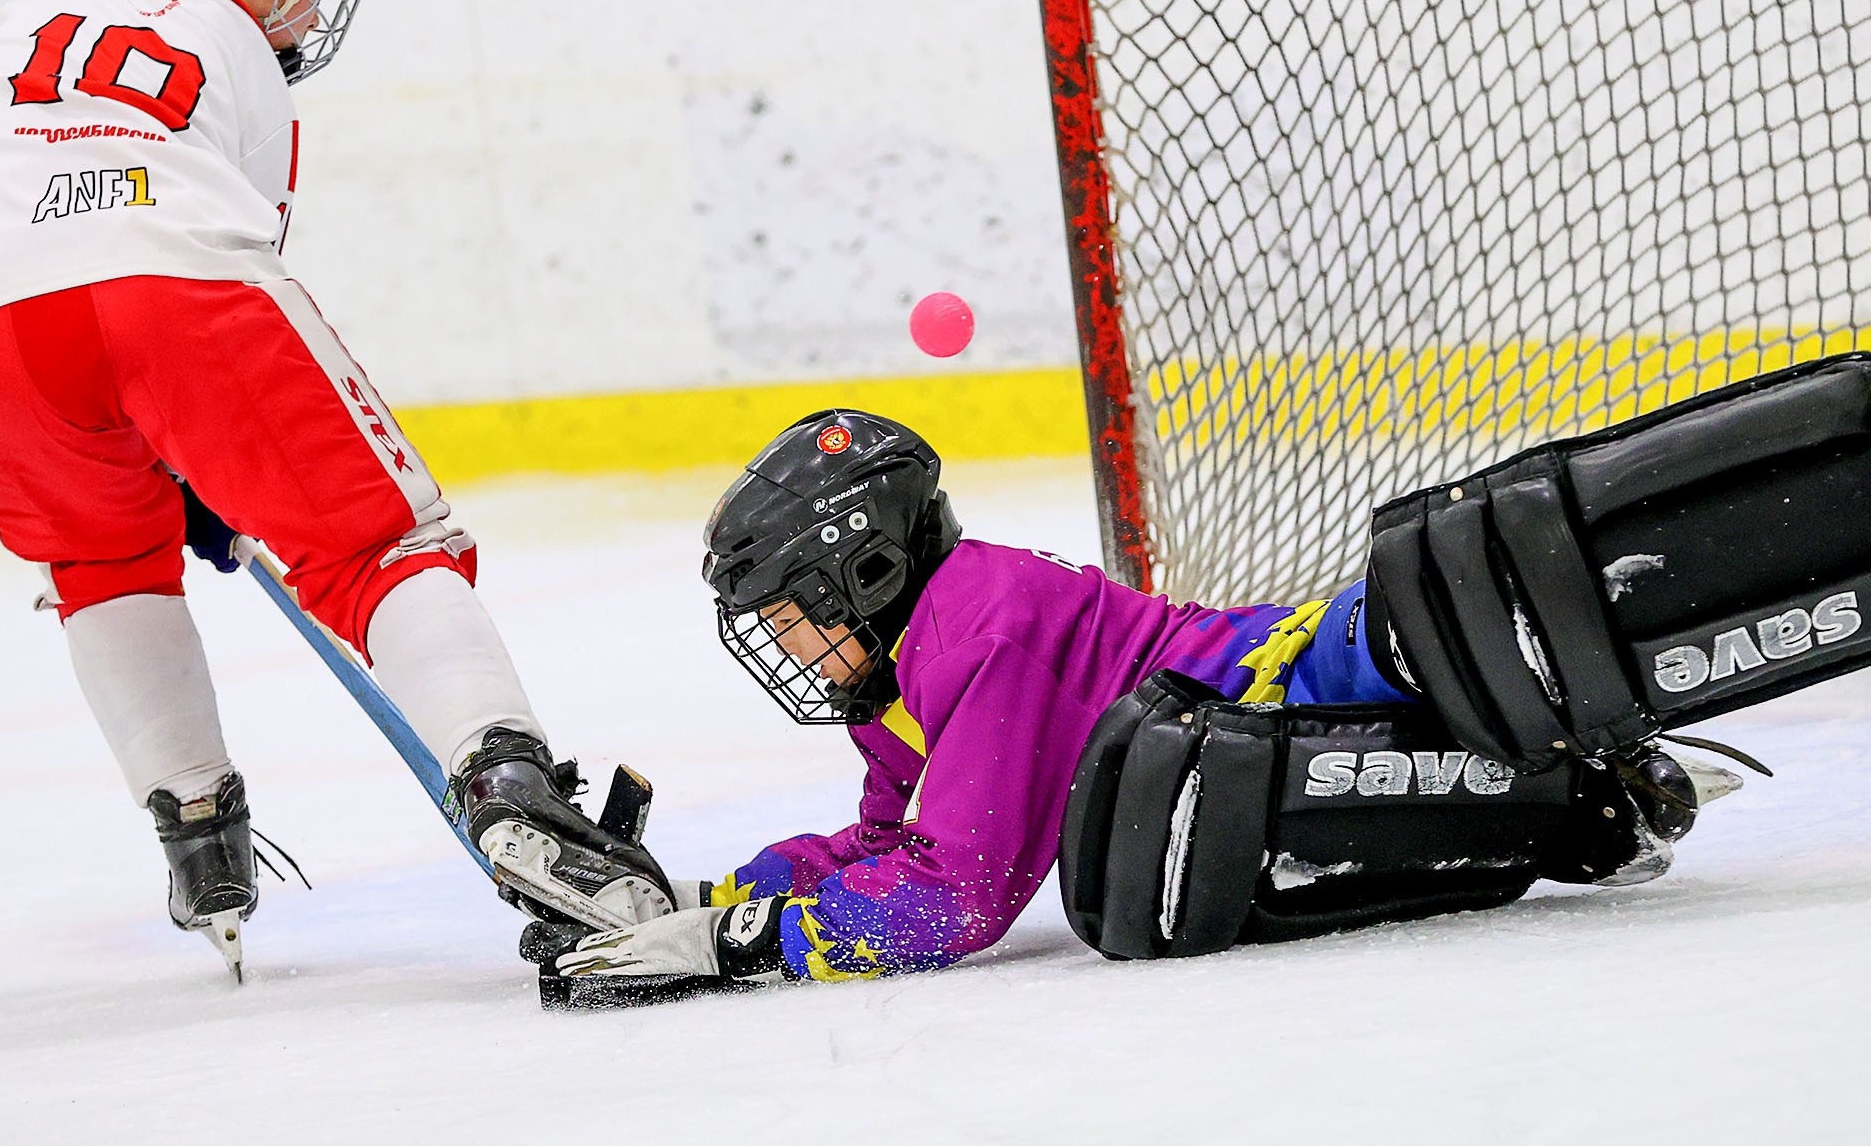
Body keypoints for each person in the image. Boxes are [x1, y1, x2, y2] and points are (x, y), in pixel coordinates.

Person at [0, 0, 670, 978]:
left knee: (103, 565)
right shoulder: (240, 51)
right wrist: (200, 449)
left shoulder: (26, 17)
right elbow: (233, 266)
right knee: (380, 547)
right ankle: (509, 783)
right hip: (171, 289)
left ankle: (197, 830)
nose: (310, 3)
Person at [548, 409, 1751, 991]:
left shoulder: (981, 626)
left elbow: (952, 896)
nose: (788, 645)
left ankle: (1697, 612)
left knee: (1497, 618)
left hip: (1304, 680)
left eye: (791, 612)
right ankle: (1584, 786)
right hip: (1265, 726)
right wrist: (718, 893)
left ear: (860, 571)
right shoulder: (905, 672)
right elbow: (885, 845)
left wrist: (745, 945)